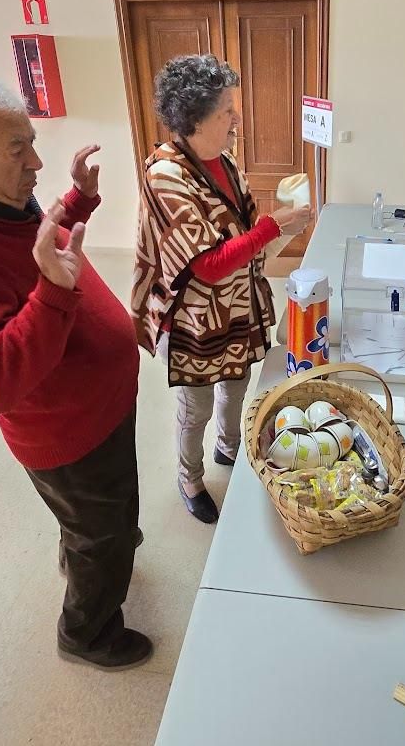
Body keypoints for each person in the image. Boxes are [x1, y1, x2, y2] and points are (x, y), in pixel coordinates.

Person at [0, 75, 151, 670]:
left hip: (100, 409)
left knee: (109, 516)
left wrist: (75, 204)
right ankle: (87, 634)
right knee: (100, 534)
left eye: (31, 141)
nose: (37, 163)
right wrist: (52, 291)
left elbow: (42, 245)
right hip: (65, 434)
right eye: (17, 150)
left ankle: (96, 546)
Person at [132, 54, 310, 524]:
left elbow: (245, 233)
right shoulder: (164, 175)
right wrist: (274, 226)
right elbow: (207, 266)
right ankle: (189, 478)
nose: (237, 119)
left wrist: (284, 225)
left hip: (236, 306)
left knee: (237, 382)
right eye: (226, 111)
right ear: (194, 120)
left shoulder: (225, 162)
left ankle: (229, 449)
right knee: (198, 403)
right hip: (195, 317)